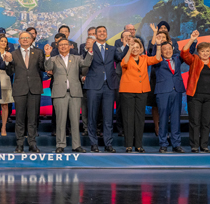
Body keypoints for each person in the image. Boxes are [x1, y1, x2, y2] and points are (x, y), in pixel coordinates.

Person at [83, 25, 127, 153]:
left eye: (104, 31)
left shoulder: (112, 48)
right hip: (93, 85)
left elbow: (120, 58)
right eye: (99, 32)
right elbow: (84, 63)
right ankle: (94, 144)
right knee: (92, 116)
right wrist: (89, 50)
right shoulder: (89, 47)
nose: (102, 33)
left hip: (109, 86)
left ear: (106, 34)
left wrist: (127, 45)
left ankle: (108, 144)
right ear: (95, 35)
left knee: (108, 117)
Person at [44, 38, 91, 153]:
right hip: (60, 93)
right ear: (57, 47)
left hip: (75, 93)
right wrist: (47, 54)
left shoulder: (77, 58)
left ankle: (76, 146)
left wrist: (90, 51)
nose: (63, 46)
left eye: (65, 44)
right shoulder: (54, 59)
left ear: (70, 46)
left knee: (75, 120)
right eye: (61, 45)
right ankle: (60, 145)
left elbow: (86, 63)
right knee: (60, 121)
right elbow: (48, 67)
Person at [119, 37, 162, 153]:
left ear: (141, 49)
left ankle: (138, 145)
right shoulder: (126, 57)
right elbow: (125, 62)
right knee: (128, 118)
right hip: (127, 91)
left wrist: (158, 45)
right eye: (133, 47)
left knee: (139, 118)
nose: (135, 49)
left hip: (142, 91)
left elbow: (158, 58)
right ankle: (128, 145)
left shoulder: (144, 58)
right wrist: (129, 48)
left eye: (137, 47)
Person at [5, 32, 45, 152]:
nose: (25, 40)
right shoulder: (13, 54)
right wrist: (8, 62)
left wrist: (47, 55)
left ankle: (32, 143)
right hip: (19, 89)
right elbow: (9, 72)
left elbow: (43, 67)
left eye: (27, 38)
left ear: (32, 39)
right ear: (19, 40)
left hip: (34, 88)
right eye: (23, 38)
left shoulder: (38, 52)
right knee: (20, 119)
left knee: (33, 119)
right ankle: (20, 144)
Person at [152, 39, 186, 153]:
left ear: (173, 49)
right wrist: (157, 44)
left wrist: (192, 39)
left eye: (169, 49)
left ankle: (176, 144)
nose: (167, 51)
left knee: (176, 119)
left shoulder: (177, 58)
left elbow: (187, 51)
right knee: (163, 119)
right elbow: (154, 55)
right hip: (163, 92)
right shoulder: (158, 60)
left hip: (176, 91)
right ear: (161, 51)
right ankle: (163, 144)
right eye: (164, 49)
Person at [0, 36, 14, 137]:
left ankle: (3, 127)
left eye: (5, 42)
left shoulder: (9, 54)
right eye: (1, 41)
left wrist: (8, 61)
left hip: (6, 80)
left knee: (5, 105)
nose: (3, 43)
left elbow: (12, 69)